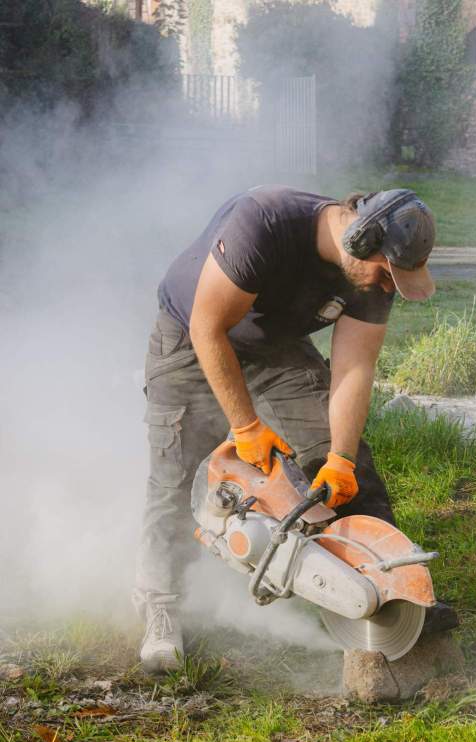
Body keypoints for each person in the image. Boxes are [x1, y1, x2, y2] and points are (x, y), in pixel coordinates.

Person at [134, 185, 455, 673]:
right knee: (176, 480)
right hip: (189, 341)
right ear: (358, 241)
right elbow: (207, 327)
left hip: (277, 349)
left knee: (343, 465)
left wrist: (341, 458)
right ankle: (161, 606)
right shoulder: (264, 222)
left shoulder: (371, 279)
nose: (389, 286)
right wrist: (244, 427)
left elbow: (354, 369)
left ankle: (391, 600)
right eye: (387, 274)